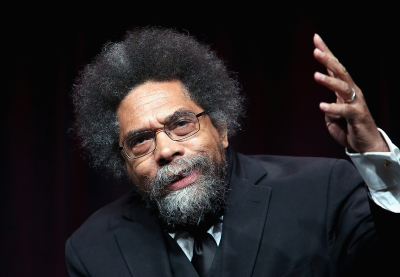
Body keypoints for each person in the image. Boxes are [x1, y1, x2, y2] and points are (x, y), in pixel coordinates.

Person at [66, 27, 400, 277]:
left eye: (181, 123)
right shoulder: (91, 250)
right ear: (123, 161)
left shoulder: (324, 190)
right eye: (140, 140)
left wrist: (374, 153)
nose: (166, 150)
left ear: (221, 129)